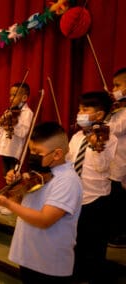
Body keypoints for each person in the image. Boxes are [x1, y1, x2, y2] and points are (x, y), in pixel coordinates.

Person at [0, 122, 83, 284]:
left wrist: (8, 204)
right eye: (31, 150)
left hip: (50, 262)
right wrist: (13, 188)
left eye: (38, 152)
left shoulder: (67, 181)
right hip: (30, 255)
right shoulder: (39, 174)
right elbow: (20, 202)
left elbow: (44, 220)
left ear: (57, 154)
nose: (32, 156)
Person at [67, 91, 117, 283]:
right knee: (77, 240)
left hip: (96, 199)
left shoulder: (108, 138)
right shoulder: (78, 136)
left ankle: (95, 276)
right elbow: (70, 162)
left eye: (85, 109)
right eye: (79, 109)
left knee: (95, 244)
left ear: (99, 114)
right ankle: (77, 273)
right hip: (76, 196)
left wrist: (97, 147)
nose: (80, 113)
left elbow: (103, 167)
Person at [0, 82, 33, 175]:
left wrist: (13, 125)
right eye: (10, 95)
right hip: (4, 149)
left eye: (14, 95)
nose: (11, 98)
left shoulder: (27, 112)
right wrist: (2, 122)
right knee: (5, 174)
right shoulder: (9, 110)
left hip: (14, 151)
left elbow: (23, 133)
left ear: (24, 98)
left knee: (13, 176)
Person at [107, 68, 126, 248]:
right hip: (112, 164)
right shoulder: (118, 109)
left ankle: (119, 234)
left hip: (122, 164)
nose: (113, 89)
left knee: (119, 201)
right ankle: (113, 232)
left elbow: (116, 128)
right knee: (113, 199)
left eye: (117, 85)